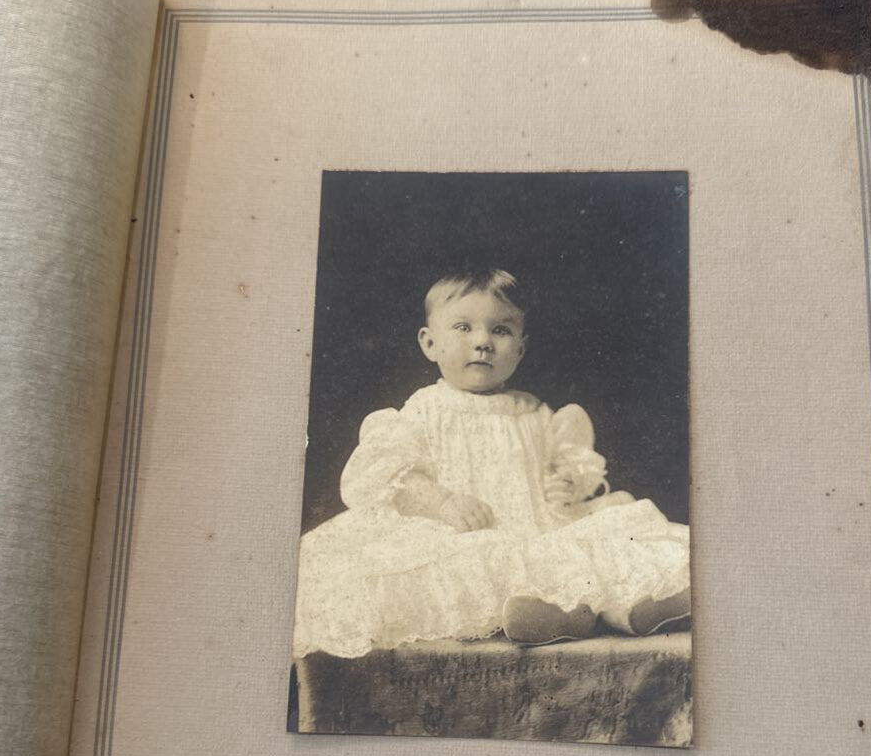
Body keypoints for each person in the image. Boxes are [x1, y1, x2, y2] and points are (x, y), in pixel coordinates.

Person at [293, 268, 690, 659]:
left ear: (520, 347)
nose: (482, 342)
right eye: (463, 328)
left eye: (500, 330)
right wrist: (442, 502)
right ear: (429, 344)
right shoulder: (425, 409)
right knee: (462, 564)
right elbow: (391, 474)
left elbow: (567, 466)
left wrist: (565, 485)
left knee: (601, 545)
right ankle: (563, 615)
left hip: (539, 528)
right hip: (460, 531)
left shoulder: (533, 411)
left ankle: (638, 609)